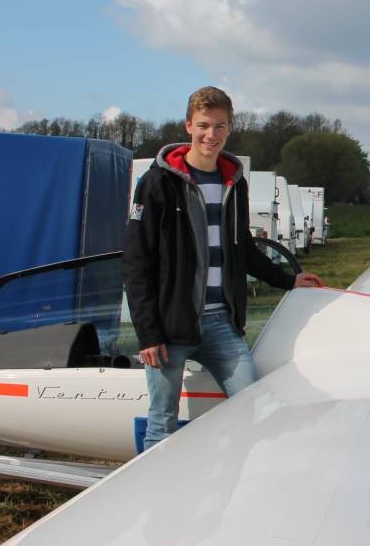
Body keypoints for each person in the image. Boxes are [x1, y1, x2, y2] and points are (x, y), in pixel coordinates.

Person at [123, 86, 323, 450]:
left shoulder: (235, 182)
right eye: (203, 125)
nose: (210, 135)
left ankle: (231, 485)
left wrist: (288, 279)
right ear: (188, 126)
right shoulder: (156, 182)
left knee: (252, 408)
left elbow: (243, 249)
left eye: (219, 126)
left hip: (221, 325)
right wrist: (148, 333)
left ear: (230, 128)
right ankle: (155, 504)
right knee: (161, 425)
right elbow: (137, 262)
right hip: (170, 328)